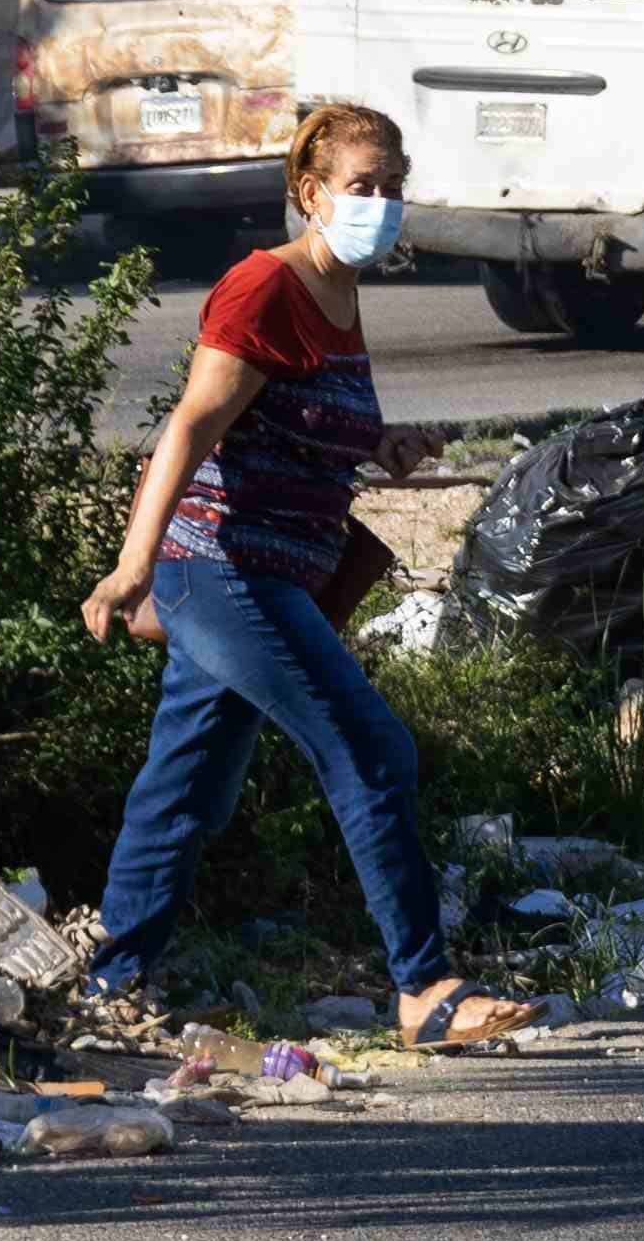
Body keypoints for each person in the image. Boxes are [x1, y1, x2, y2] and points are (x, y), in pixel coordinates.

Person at [77, 100, 532, 1050]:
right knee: (372, 750)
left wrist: (381, 442)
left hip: (271, 570)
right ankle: (423, 991)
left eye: (395, 187)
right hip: (221, 569)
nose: (383, 204)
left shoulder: (341, 288)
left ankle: (110, 983)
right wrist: (133, 566)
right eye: (363, 187)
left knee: (189, 782)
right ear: (310, 192)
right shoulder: (263, 288)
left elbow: (293, 421)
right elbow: (192, 428)